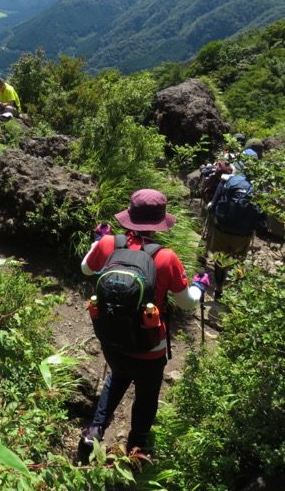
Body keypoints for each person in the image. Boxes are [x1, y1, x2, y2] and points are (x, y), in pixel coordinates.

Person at [79, 189, 202, 457]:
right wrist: (199, 287)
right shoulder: (166, 257)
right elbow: (187, 303)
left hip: (112, 339)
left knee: (119, 374)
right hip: (149, 347)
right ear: (160, 222)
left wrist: (99, 241)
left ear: (129, 216)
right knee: (146, 397)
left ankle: (94, 432)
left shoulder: (108, 244)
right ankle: (136, 450)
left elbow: (86, 268)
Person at [205, 165, 266, 300]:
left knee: (221, 260)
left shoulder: (229, 180)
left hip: (223, 229)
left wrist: (213, 211)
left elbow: (215, 204)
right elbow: (263, 214)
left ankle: (218, 289)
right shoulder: (260, 186)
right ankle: (234, 293)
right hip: (244, 233)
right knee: (238, 261)